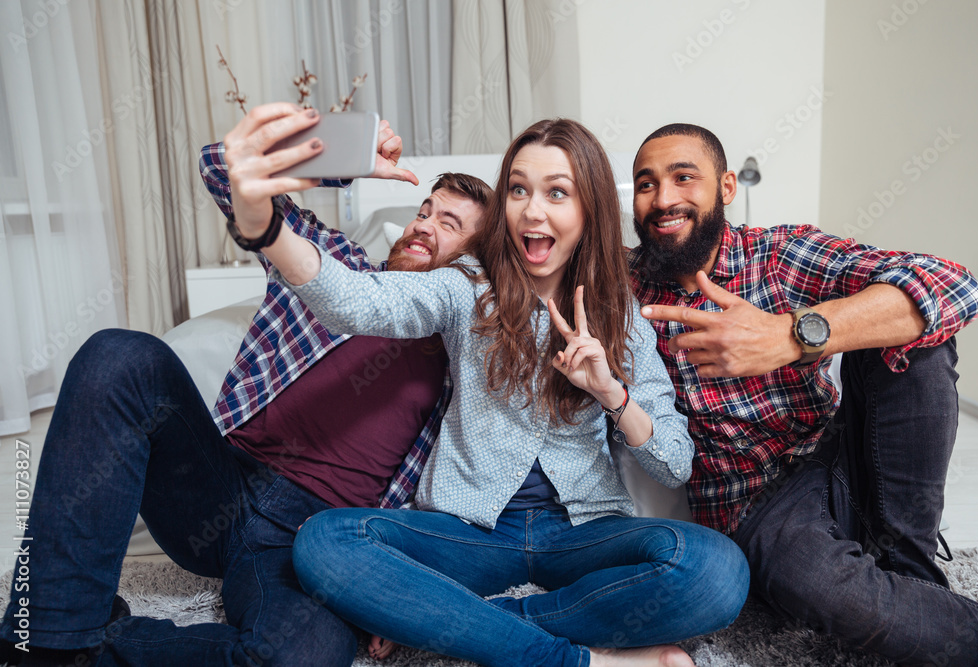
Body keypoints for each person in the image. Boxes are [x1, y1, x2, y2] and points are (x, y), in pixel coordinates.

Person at [0, 103, 490, 667]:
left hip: (311, 543)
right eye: (424, 210)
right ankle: (41, 642)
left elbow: (454, 496)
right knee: (120, 356)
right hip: (222, 488)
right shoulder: (335, 264)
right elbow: (221, 166)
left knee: (301, 655)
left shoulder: (467, 357)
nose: (423, 224)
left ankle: (86, 647)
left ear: (475, 265)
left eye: (449, 224)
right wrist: (340, 153)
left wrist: (394, 593)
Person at [265, 118, 750, 667]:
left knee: (717, 571)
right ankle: (582, 661)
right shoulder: (466, 286)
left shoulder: (623, 317)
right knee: (323, 543)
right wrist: (267, 231)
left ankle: (455, 620)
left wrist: (611, 393)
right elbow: (355, 300)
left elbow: (676, 465)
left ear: (588, 209)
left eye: (557, 193)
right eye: (518, 189)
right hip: (468, 532)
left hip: (584, 533)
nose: (531, 210)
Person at [628, 122, 978, 665]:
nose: (664, 199)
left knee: (917, 335)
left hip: (840, 454)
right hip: (756, 505)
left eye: (684, 177)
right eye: (646, 184)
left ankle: (907, 566)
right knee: (813, 578)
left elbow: (954, 284)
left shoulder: (778, 255)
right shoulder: (622, 285)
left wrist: (788, 335)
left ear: (726, 188)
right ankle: (923, 600)